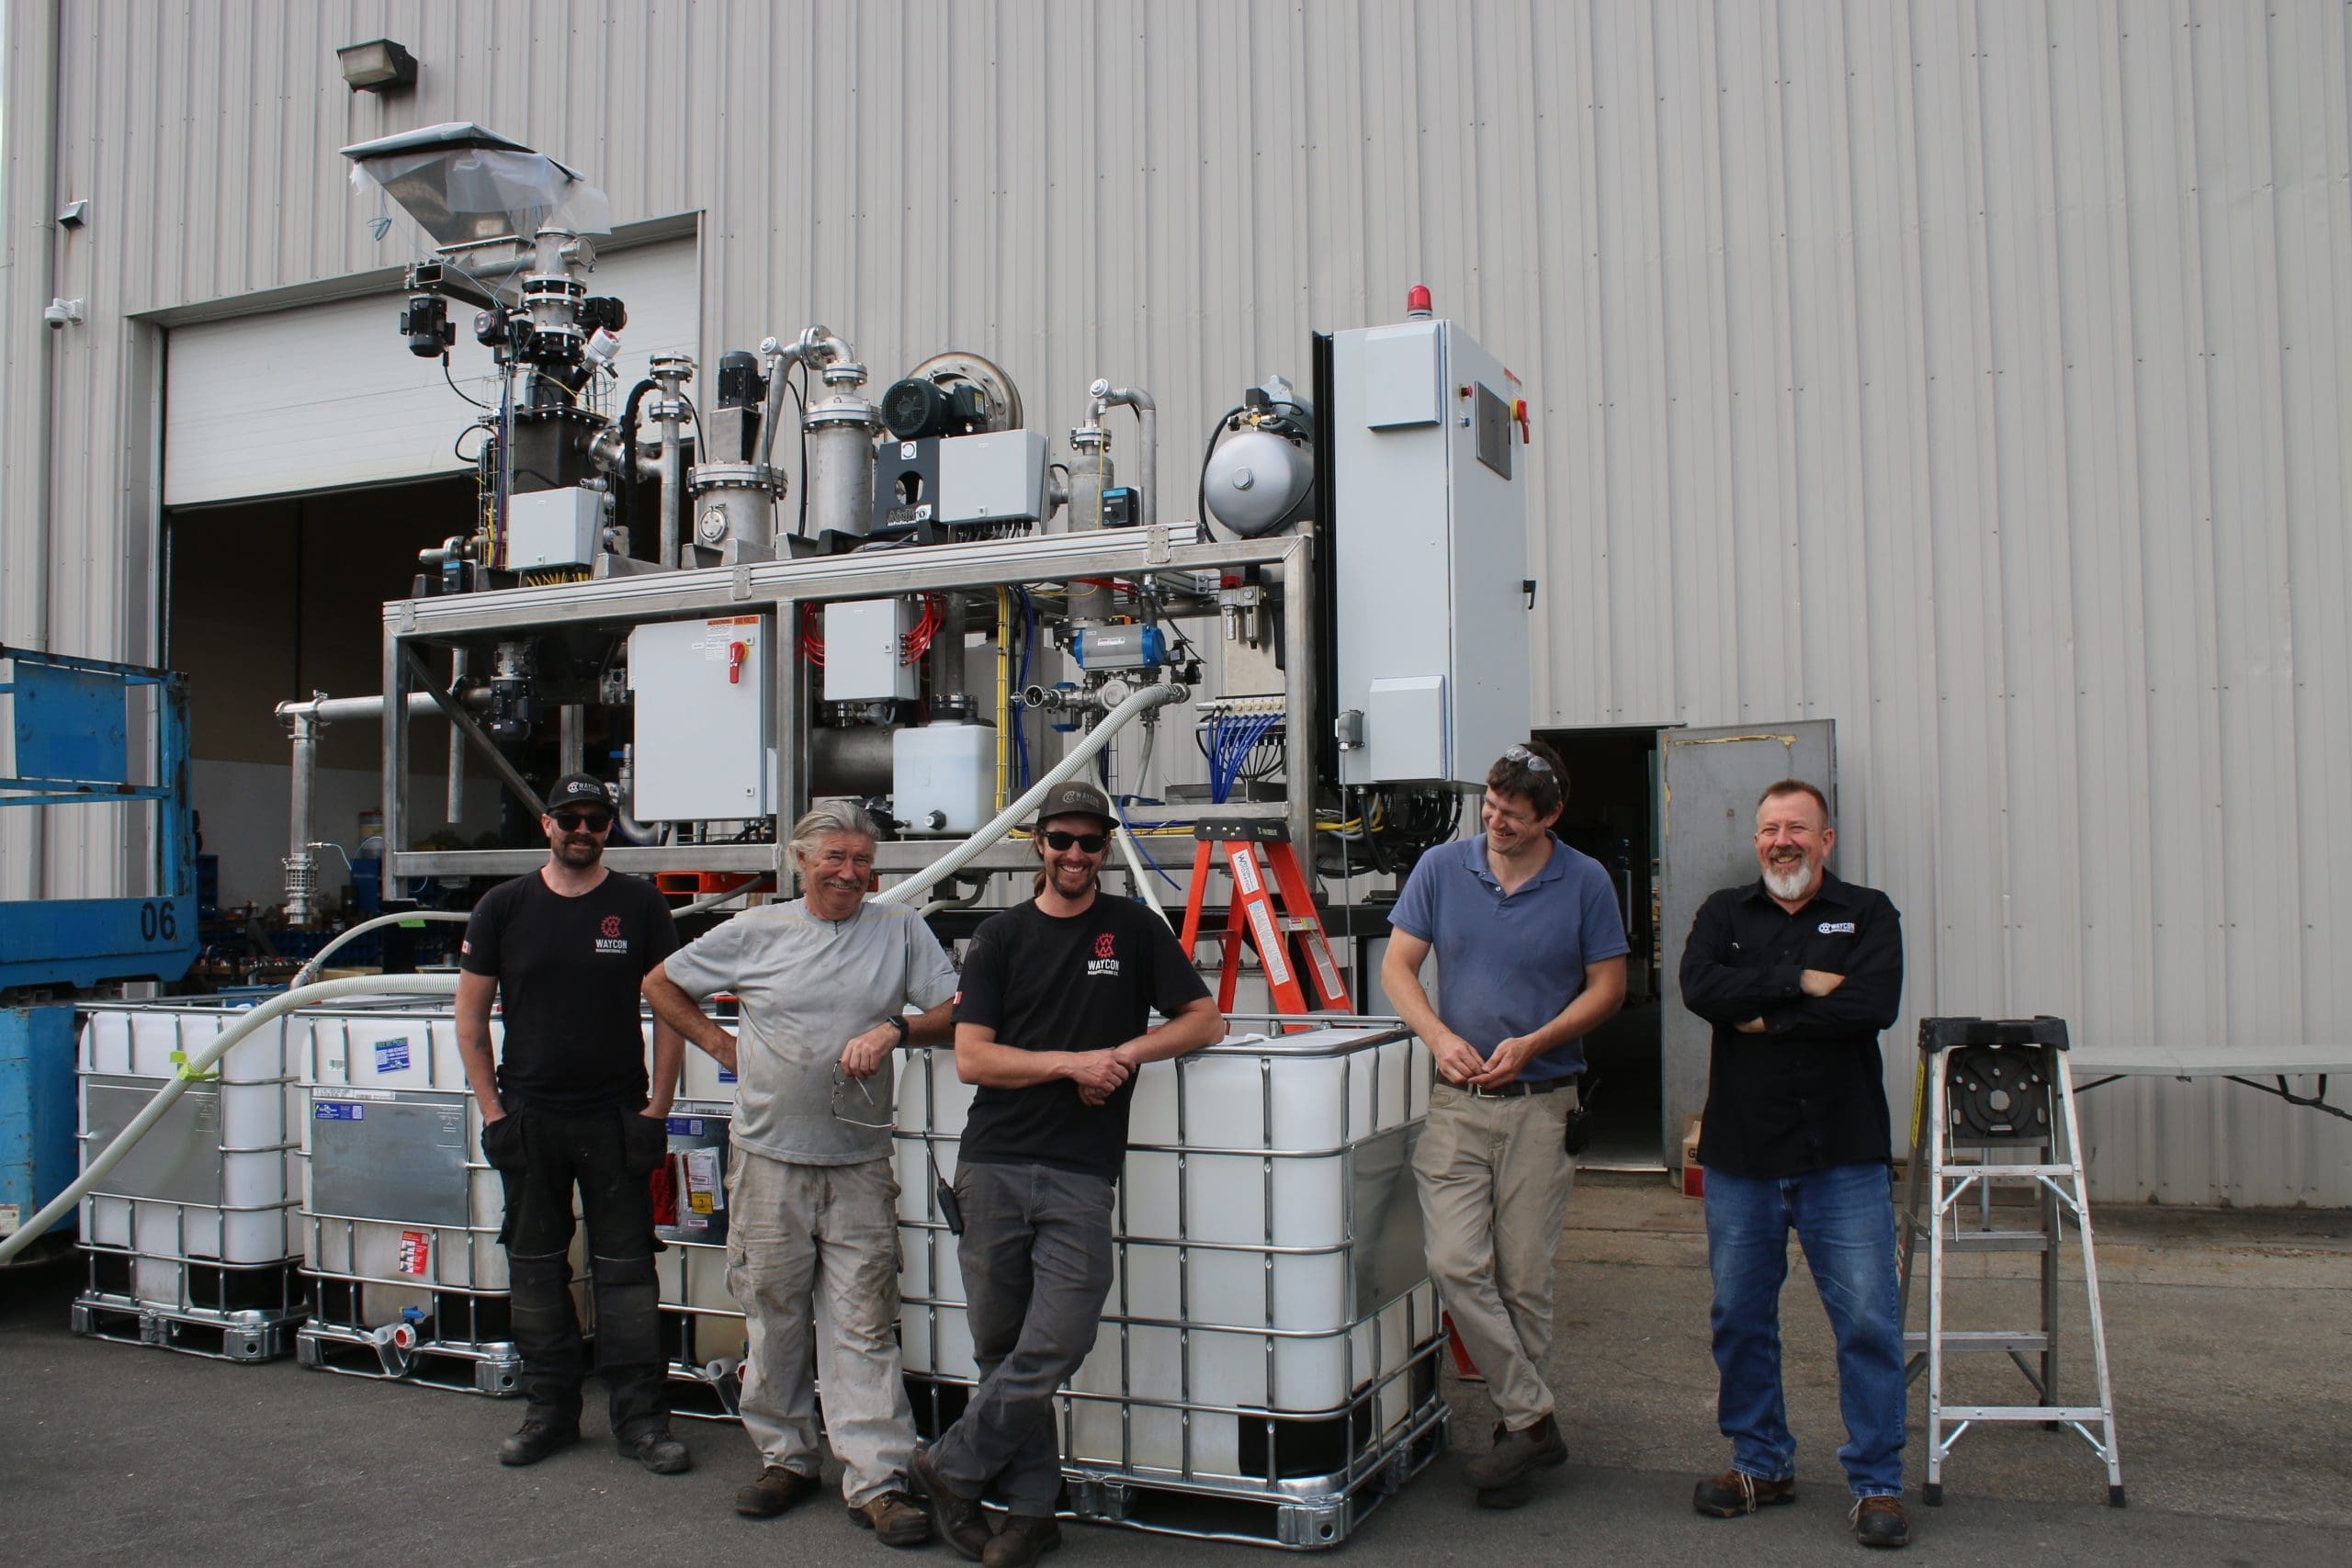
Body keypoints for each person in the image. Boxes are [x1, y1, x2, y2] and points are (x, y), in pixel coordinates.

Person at [912, 780, 1224, 1568]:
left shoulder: (1134, 928)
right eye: (1062, 840)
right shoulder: (1000, 936)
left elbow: (1205, 1019)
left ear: (1105, 848)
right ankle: (1030, 1514)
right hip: (992, 1162)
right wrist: (1071, 1064)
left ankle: (949, 1466)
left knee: (1057, 1338)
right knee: (1000, 1345)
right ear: (1039, 845)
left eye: (1090, 841)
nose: (1076, 854)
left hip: (1082, 1169)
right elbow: (973, 1056)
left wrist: (1121, 1054)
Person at [641, 801, 953, 1546]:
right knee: (772, 1314)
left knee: (863, 1322)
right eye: (834, 856)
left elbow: (956, 1008)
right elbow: (659, 983)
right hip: (768, 1159)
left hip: (858, 1163)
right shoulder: (756, 930)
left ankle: (877, 1479)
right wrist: (721, 1045)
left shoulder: (900, 928)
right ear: (801, 859)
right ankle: (785, 1456)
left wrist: (896, 1028)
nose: (850, 871)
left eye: (862, 859)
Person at [1382, 739, 1629, 1507]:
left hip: (1542, 1105)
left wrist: (1536, 1041)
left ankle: (1512, 1437)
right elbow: (1398, 967)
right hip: (1457, 1105)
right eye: (1489, 807)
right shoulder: (1441, 867)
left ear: (1551, 816)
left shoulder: (1585, 881)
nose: (1495, 823)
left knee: (1524, 1279)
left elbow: (1609, 988)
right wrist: (1437, 1036)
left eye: (1513, 816)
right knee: (1455, 1262)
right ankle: (1533, 1418)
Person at [1677, 779, 1909, 1549]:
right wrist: (1802, 982)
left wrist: (1764, 1015)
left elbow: (1871, 1005)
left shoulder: (1870, 913)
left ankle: (1877, 1482)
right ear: (1756, 841)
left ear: (1826, 839)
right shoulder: (1722, 913)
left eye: (1798, 828)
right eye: (1771, 829)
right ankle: (1761, 1462)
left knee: (1868, 1322)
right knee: (1741, 1319)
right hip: (1741, 1157)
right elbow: (1699, 987)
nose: (1783, 841)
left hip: (1843, 1155)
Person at [455, 773, 689, 1474]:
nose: (583, 829)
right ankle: (549, 1411)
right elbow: (470, 1020)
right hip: (530, 1116)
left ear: (610, 827)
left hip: (616, 1115)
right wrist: (494, 1112)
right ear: (547, 825)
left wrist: (657, 1109)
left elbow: (671, 1012)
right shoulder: (502, 907)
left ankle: (641, 1419)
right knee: (534, 1270)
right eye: (570, 818)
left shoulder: (640, 904)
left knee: (628, 1273)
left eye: (596, 819)